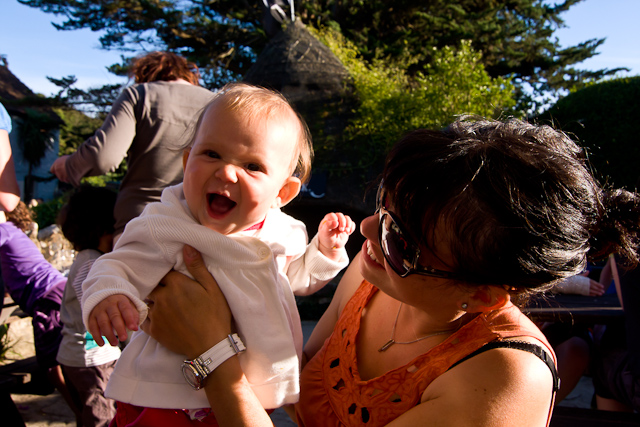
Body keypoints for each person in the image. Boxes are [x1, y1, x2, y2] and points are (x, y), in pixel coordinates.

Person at [142, 116, 640, 427]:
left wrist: (213, 360)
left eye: (401, 240)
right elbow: (294, 373)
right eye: (384, 205)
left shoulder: (503, 379)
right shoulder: (377, 272)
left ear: (485, 295)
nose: (368, 229)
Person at [82, 83, 356, 425]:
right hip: (168, 393)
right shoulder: (166, 224)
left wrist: (324, 252)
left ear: (282, 193)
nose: (226, 172)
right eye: (211, 154)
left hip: (251, 388)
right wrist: (109, 295)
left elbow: (295, 280)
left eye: (253, 166)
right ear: (186, 162)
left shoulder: (280, 232)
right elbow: (115, 265)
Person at [50, 51, 214, 241]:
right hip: (199, 227)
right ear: (188, 74)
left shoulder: (140, 94)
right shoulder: (215, 104)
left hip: (139, 223)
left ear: (145, 74)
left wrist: (69, 165)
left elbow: (103, 157)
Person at [0, 201, 78, 415]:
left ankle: (78, 411)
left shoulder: (3, 228)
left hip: (47, 296)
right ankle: (81, 409)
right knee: (61, 358)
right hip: (56, 289)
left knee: (51, 365)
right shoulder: (14, 231)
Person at [55, 185, 122, 427]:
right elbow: (96, 306)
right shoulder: (92, 264)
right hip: (92, 359)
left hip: (83, 358)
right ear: (107, 226)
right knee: (102, 419)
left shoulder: (90, 259)